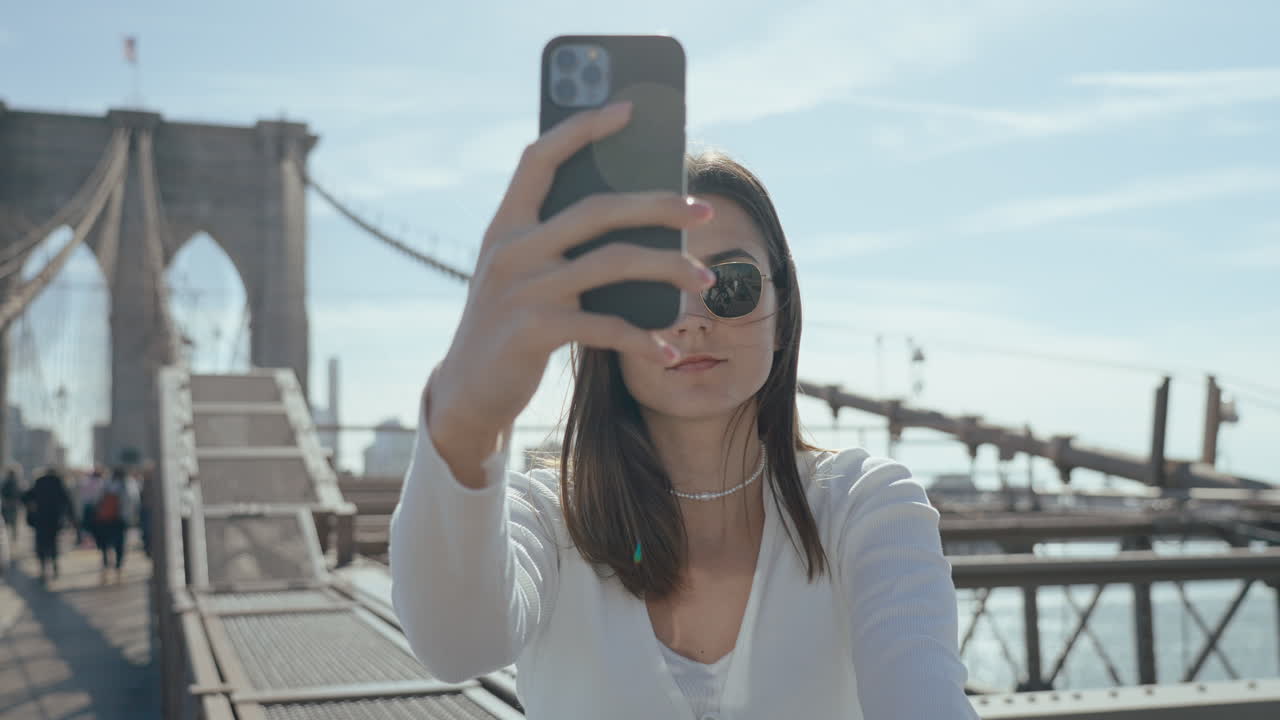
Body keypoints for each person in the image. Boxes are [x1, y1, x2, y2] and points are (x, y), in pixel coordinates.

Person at [389, 104, 976, 719]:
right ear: (606, 327)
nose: (692, 319)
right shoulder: (543, 519)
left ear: (783, 317)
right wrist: (468, 416)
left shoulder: (866, 506)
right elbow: (457, 647)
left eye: (731, 285)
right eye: (652, 290)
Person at [21, 466, 77, 584]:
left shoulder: (39, 482)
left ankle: (43, 569)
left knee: (41, 543)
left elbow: (25, 496)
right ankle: (54, 565)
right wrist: (72, 519)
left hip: (40, 518)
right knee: (53, 542)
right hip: (54, 518)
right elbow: (67, 501)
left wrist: (31, 507)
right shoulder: (59, 483)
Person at [95, 466, 132, 578]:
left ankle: (106, 563)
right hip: (120, 519)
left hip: (106, 518)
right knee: (120, 543)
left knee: (106, 541)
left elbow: (98, 499)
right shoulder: (127, 485)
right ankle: (118, 566)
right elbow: (131, 502)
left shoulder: (106, 484)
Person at [77, 465, 105, 547]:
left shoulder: (86, 481)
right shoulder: (101, 481)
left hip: (87, 505)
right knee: (96, 526)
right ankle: (95, 542)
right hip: (97, 507)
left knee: (87, 526)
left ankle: (86, 542)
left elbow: (82, 494)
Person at [1, 464, 22, 543]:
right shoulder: (14, 482)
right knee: (11, 523)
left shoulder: (12, 482)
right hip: (10, 505)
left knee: (11, 523)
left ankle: (11, 539)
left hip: (11, 505)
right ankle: (11, 539)